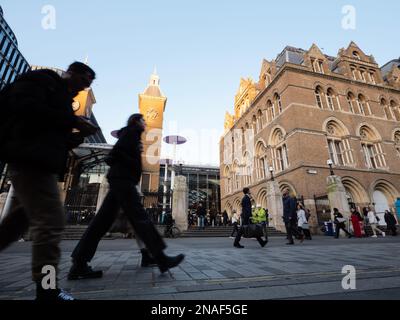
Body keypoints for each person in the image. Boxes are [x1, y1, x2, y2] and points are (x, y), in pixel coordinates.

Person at [0, 62, 99, 300]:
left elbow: (58, 139)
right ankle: (47, 290)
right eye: (84, 81)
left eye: (88, 84)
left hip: (40, 163)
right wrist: (73, 121)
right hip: (28, 159)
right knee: (52, 222)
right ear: (71, 72)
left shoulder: (63, 100)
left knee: (15, 224)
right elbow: (26, 108)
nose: (83, 87)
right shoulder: (44, 80)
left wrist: (77, 135)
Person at [68, 114, 184, 280]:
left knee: (101, 223)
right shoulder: (131, 133)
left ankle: (79, 263)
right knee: (141, 219)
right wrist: (129, 167)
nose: (145, 123)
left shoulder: (131, 134)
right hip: (123, 181)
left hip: (121, 181)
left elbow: (115, 155)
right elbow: (114, 156)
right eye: (143, 120)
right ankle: (161, 258)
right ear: (136, 121)